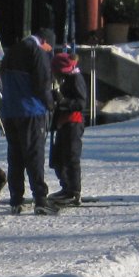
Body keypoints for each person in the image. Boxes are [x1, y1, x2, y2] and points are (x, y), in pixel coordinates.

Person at [0, 27, 55, 214]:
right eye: (50, 48)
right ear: (44, 41)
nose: (50, 52)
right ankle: (40, 198)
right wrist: (51, 104)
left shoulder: (11, 51)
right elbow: (42, 83)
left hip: (10, 111)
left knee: (15, 155)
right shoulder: (36, 51)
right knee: (34, 154)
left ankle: (16, 199)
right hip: (30, 110)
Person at [49, 49, 87, 202]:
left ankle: (74, 191)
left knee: (71, 157)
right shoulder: (67, 79)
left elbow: (81, 103)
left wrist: (62, 101)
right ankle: (66, 187)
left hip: (73, 123)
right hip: (64, 123)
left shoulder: (76, 79)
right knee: (58, 159)